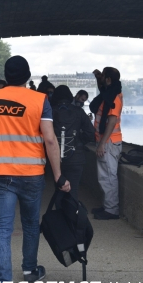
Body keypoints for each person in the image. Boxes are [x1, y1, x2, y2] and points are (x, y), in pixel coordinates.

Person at [0, 56, 70, 283]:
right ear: (28, 76)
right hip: (32, 175)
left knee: (2, 229)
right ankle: (30, 270)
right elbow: (51, 139)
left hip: (0, 174)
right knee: (31, 225)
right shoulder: (40, 100)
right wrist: (58, 176)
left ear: (6, 74)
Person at [89, 67, 123, 220]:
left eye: (103, 76)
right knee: (104, 176)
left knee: (109, 176)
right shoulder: (108, 93)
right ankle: (107, 205)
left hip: (109, 142)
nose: (101, 78)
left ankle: (111, 210)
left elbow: (111, 121)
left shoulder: (113, 97)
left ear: (108, 79)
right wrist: (97, 76)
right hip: (106, 141)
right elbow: (101, 88)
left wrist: (102, 144)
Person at [51, 85, 96, 199]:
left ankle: (59, 215)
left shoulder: (50, 111)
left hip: (55, 158)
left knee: (59, 189)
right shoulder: (79, 111)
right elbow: (91, 133)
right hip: (76, 156)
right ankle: (72, 215)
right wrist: (78, 140)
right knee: (73, 190)